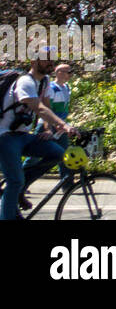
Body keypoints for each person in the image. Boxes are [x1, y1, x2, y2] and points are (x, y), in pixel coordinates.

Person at [0, 48, 78, 220]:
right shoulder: (25, 82)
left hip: (22, 136)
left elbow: (46, 108)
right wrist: (63, 125)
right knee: (14, 180)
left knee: (58, 154)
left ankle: (19, 190)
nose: (50, 62)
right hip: (5, 136)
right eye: (45, 59)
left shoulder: (44, 82)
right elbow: (39, 108)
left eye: (52, 59)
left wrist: (48, 129)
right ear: (34, 62)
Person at [40, 63, 74, 186]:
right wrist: (51, 126)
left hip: (61, 127)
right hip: (48, 125)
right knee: (33, 158)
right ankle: (22, 181)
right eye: (68, 72)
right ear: (59, 73)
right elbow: (48, 109)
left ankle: (68, 184)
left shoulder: (67, 87)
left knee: (64, 154)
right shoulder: (51, 88)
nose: (70, 75)